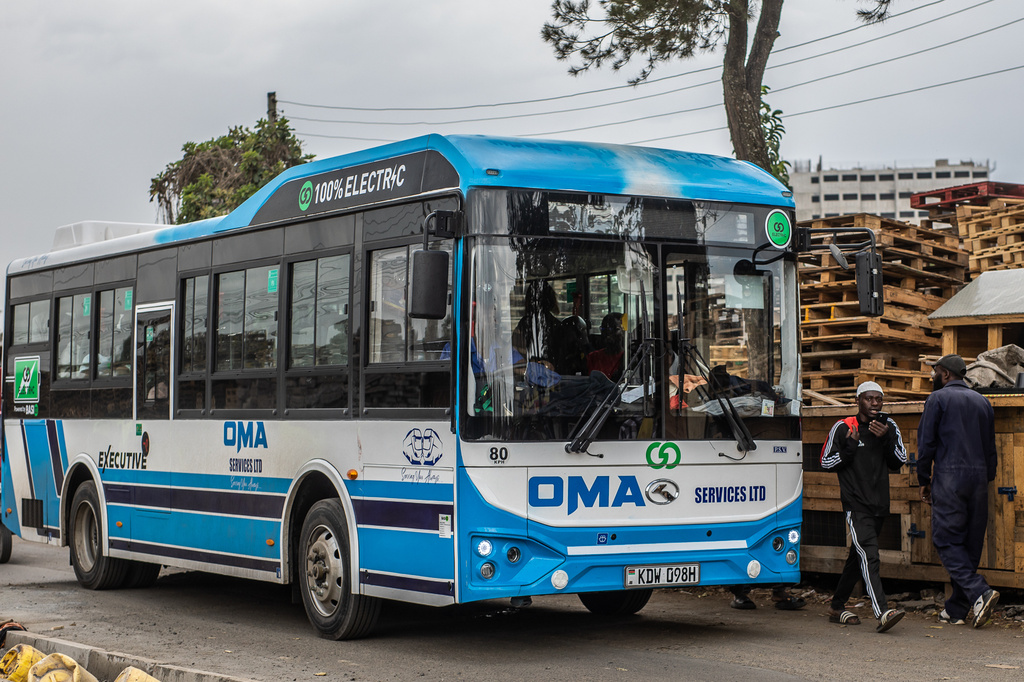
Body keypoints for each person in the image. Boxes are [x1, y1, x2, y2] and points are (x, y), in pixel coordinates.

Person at [917, 354, 999, 628]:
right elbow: (990, 448)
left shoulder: (937, 399)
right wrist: (986, 479)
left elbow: (926, 443)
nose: (932, 377)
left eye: (935, 372)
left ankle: (980, 591)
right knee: (969, 544)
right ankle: (956, 610)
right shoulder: (983, 402)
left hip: (950, 478)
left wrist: (923, 478)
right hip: (979, 480)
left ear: (945, 374)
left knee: (946, 540)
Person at [820, 381, 908, 632]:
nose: (874, 403)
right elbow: (825, 461)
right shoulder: (844, 427)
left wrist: (886, 439)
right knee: (870, 555)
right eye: (869, 398)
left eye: (878, 399)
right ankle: (883, 612)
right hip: (855, 503)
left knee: (857, 557)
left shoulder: (888, 425)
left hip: (879, 502)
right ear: (858, 400)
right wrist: (848, 450)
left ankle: (836, 606)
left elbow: (899, 461)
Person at [587, 313, 625, 381]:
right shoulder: (593, 357)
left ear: (623, 332)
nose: (608, 332)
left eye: (613, 328)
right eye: (604, 328)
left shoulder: (628, 358)